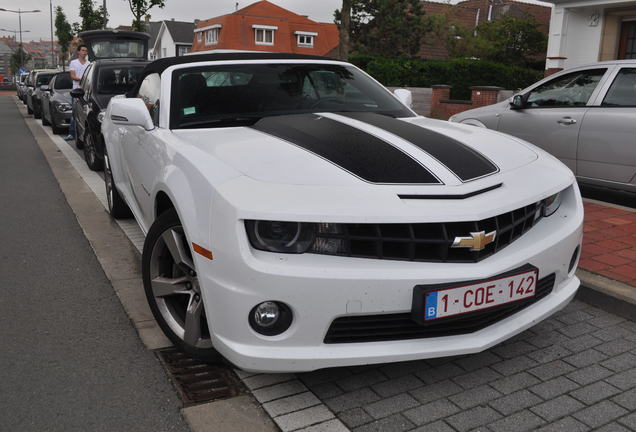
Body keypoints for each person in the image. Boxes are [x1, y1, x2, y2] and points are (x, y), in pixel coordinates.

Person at [65, 45, 90, 141]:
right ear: (78, 52)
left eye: (86, 50)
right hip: (76, 92)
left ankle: (85, 133)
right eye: (83, 50)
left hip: (86, 92)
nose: (85, 52)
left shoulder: (89, 64)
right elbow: (73, 76)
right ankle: (71, 133)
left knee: (85, 113)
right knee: (74, 113)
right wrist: (84, 80)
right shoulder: (73, 63)